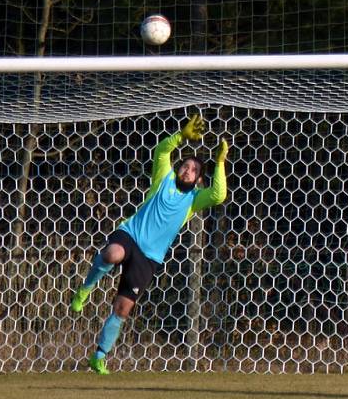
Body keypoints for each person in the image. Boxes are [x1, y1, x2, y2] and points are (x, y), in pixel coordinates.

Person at [70, 114, 229, 374]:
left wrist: (220, 163)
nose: (187, 171)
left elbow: (219, 195)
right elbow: (162, 149)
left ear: (198, 180)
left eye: (193, 171)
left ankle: (98, 356)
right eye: (185, 166)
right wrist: (181, 136)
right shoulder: (163, 179)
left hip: (150, 257)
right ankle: (85, 290)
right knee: (112, 254)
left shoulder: (194, 201)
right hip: (130, 235)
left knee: (123, 309)